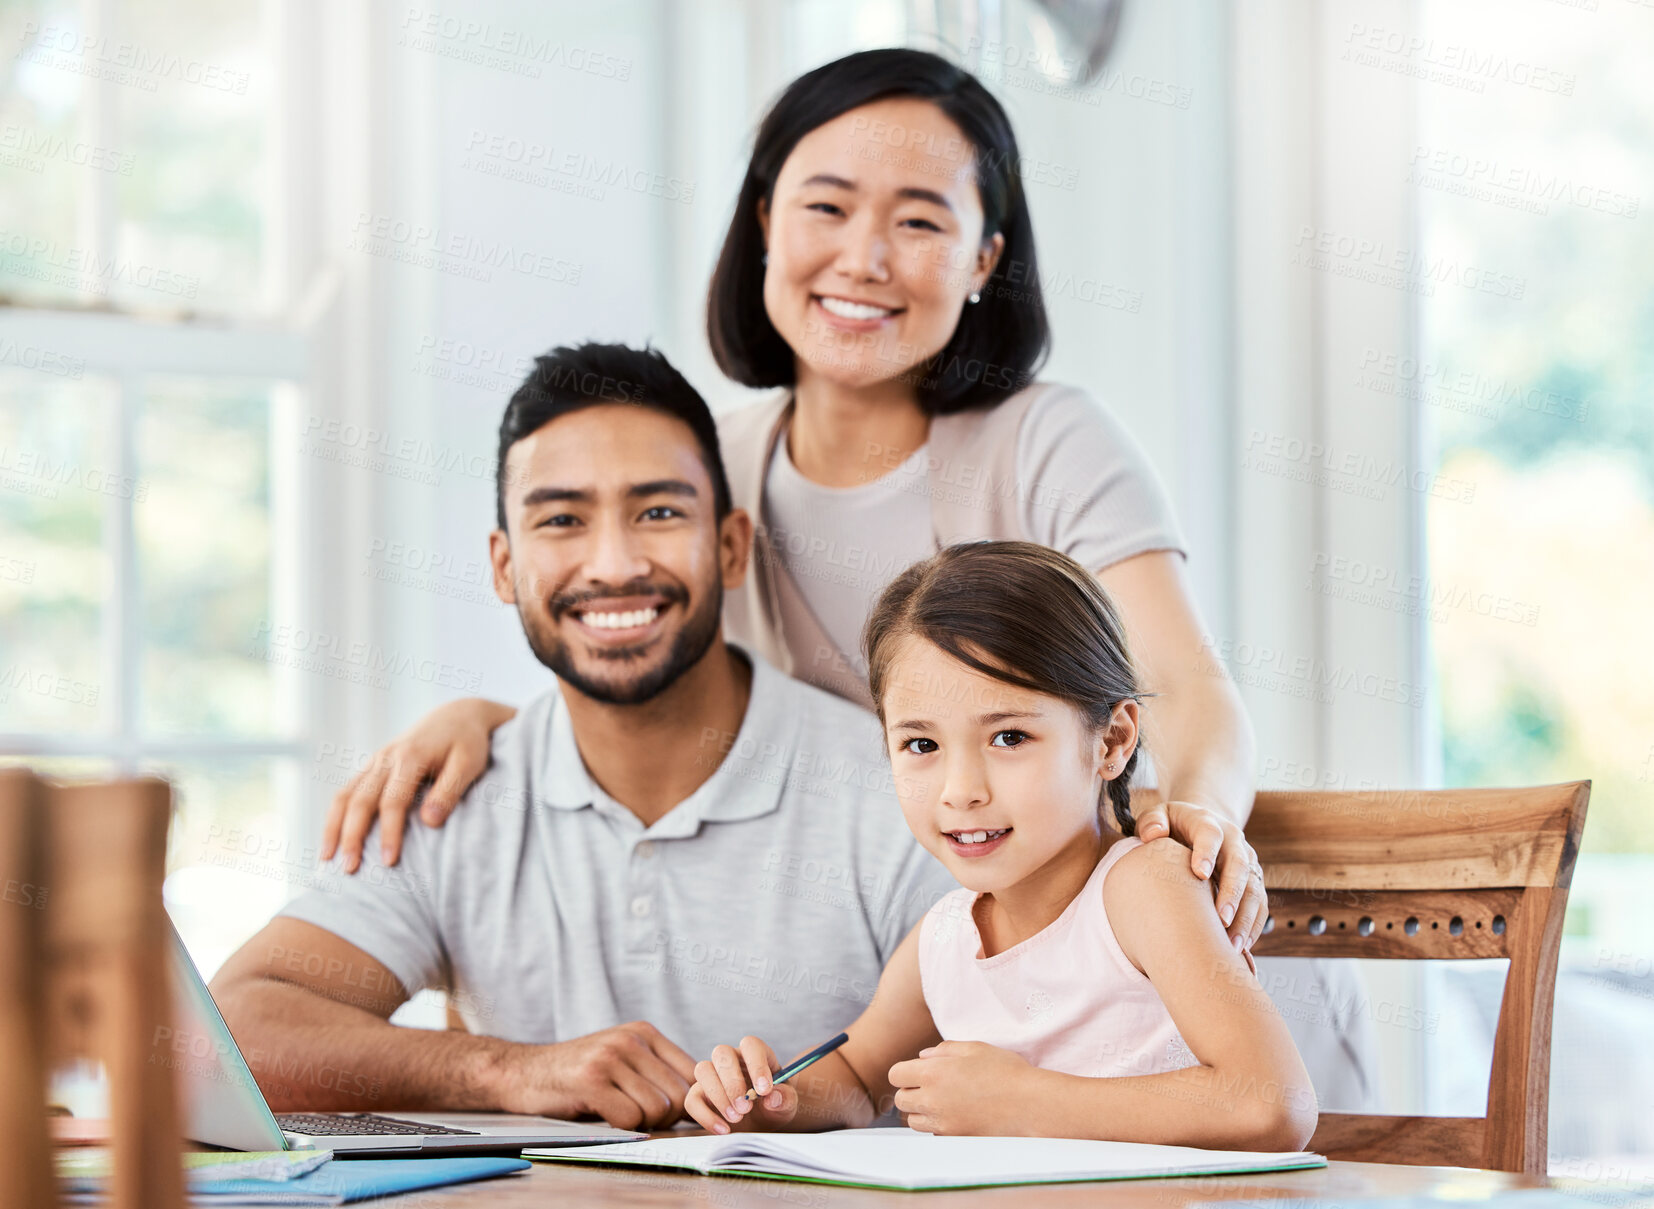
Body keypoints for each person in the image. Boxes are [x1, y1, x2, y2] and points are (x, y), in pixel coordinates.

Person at [319, 48, 1374, 1106]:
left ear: (981, 258)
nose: (865, 258)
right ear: (766, 224)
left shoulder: (1045, 441)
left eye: (919, 221)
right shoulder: (717, 468)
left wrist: (1191, 823)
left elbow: (1183, 689)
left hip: (1149, 993)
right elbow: (630, 640)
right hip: (975, 979)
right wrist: (486, 723)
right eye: (827, 207)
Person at [209, 343, 957, 1129]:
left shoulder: (899, 790)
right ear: (504, 567)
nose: (614, 563)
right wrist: (506, 1069)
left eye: (659, 512)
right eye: (562, 519)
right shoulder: (454, 795)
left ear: (731, 546)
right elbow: (228, 1034)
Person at [685, 542, 1315, 1148]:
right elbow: (856, 1079)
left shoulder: (1145, 888)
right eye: (921, 745)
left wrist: (1028, 1101)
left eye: (1009, 737)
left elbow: (1271, 1104)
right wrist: (774, 1101)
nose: (961, 791)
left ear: (1112, 742)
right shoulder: (945, 934)